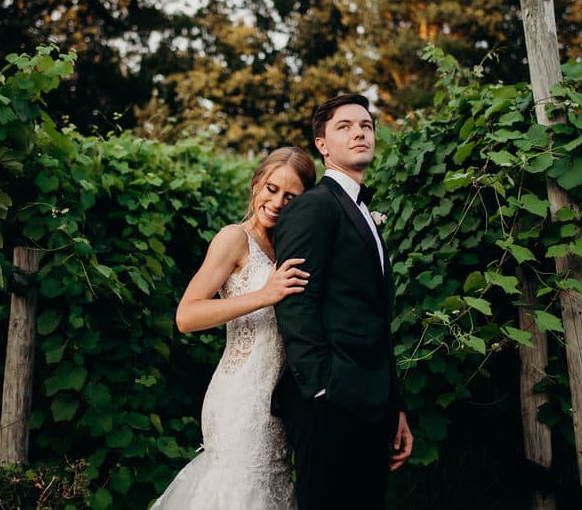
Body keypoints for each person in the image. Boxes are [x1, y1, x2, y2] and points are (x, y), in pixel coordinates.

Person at [151, 147, 317, 510]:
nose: (277, 202)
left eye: (290, 197)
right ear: (256, 184)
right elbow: (186, 315)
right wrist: (265, 295)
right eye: (271, 189)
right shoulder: (234, 238)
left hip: (278, 402)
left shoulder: (289, 247)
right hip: (240, 399)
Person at [272, 93, 413, 510]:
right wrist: (321, 389)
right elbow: (295, 300)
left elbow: (375, 319)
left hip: (373, 404)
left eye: (366, 126)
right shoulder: (314, 207)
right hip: (329, 405)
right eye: (345, 127)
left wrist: (395, 407)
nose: (359, 133)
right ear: (322, 144)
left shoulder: (363, 211)